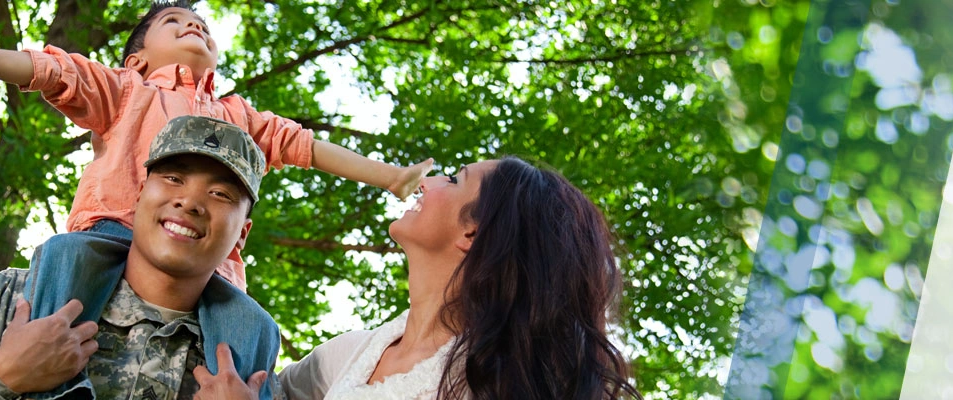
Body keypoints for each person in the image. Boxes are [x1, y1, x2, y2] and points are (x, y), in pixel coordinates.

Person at [0, 1, 434, 323]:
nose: (194, 26)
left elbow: (307, 147)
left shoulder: (238, 114)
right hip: (115, 231)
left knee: (251, 326)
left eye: (202, 24)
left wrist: (390, 177)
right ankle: (45, 374)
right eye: (175, 22)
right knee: (62, 256)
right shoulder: (126, 89)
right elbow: (53, 71)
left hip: (210, 260)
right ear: (138, 55)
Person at [0, 116, 284, 399]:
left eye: (220, 194)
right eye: (173, 178)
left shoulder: (243, 370)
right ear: (139, 197)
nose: (189, 201)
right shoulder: (19, 300)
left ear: (241, 235)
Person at [196, 157, 643, 400]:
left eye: (453, 177)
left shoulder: (486, 383)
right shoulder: (351, 354)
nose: (427, 182)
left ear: (473, 231)